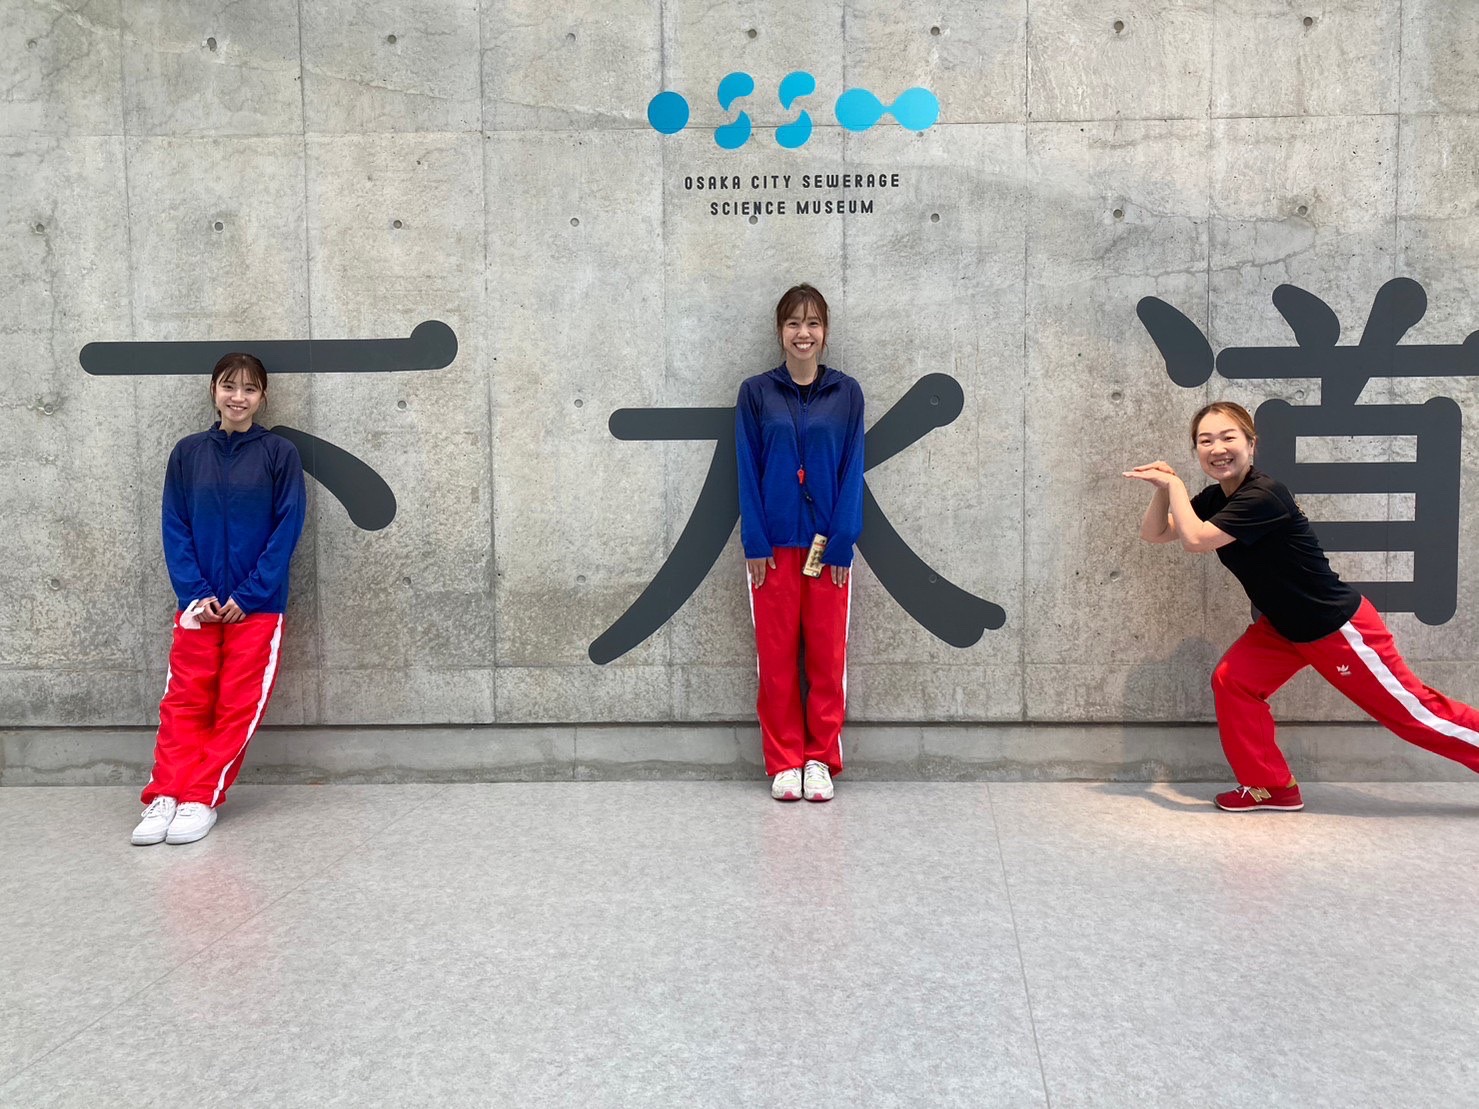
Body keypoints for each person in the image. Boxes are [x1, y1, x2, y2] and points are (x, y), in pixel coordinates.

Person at [1125, 401, 1479, 810]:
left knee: (1414, 716)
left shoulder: (1264, 494)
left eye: (1228, 437)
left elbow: (1196, 540)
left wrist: (1175, 488)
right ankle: (1271, 786)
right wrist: (1163, 490)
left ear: (1251, 444)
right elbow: (1156, 533)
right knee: (1233, 681)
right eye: (1205, 441)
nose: (1217, 448)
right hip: (1283, 626)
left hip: (1333, 626)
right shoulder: (1215, 498)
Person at [131, 353, 306, 845]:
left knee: (236, 706)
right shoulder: (187, 453)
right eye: (229, 386)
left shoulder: (279, 454)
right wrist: (196, 594)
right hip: (198, 609)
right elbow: (175, 525)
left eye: (249, 389)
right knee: (184, 703)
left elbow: (287, 529)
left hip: (257, 608)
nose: (238, 397)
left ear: (262, 397)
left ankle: (200, 796)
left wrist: (250, 594)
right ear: (213, 390)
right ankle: (165, 795)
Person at [736, 284, 865, 802]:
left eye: (812, 323)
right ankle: (785, 760)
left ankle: (820, 759)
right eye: (793, 323)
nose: (803, 333)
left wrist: (843, 541)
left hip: (827, 550)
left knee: (827, 660)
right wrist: (754, 540)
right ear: (780, 331)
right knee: (776, 660)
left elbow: (853, 468)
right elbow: (746, 468)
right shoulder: (755, 393)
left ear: (825, 331)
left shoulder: (847, 394)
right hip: (772, 549)